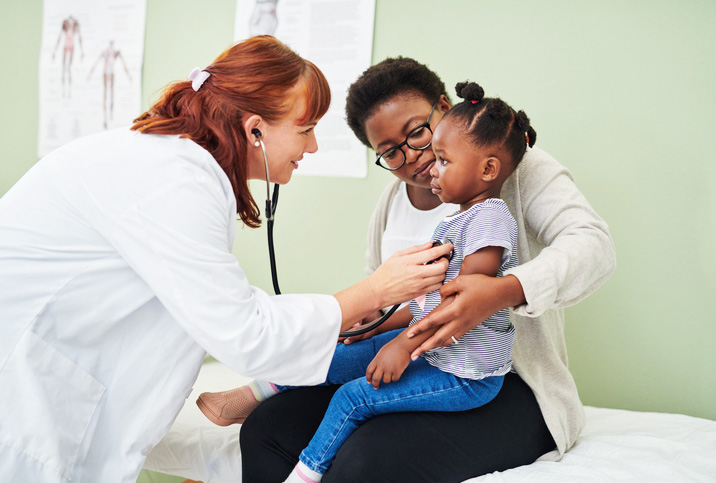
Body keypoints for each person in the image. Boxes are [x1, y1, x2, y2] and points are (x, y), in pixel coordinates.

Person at [0, 38, 452, 482]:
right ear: (256, 129)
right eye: (306, 129)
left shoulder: (180, 168)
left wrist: (356, 308)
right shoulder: (174, 180)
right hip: (28, 385)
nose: (312, 148)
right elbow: (244, 330)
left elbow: (221, 307)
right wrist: (374, 291)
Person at [240, 57, 616, 482]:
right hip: (420, 358)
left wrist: (504, 290)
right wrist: (372, 322)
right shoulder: (390, 204)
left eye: (417, 133)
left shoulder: (516, 169)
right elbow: (388, 294)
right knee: (267, 428)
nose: (414, 157)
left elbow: (594, 246)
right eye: (389, 152)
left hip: (501, 380)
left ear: (444, 108)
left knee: (367, 457)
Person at [197, 81, 528, 483]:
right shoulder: (454, 217)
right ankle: (256, 392)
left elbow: (460, 304)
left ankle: (305, 474)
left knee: (352, 397)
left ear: (488, 169)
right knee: (335, 351)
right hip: (431, 349)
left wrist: (403, 346)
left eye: (442, 158)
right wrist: (371, 322)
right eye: (390, 151)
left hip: (464, 373)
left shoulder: (491, 217)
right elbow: (423, 297)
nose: (428, 166)